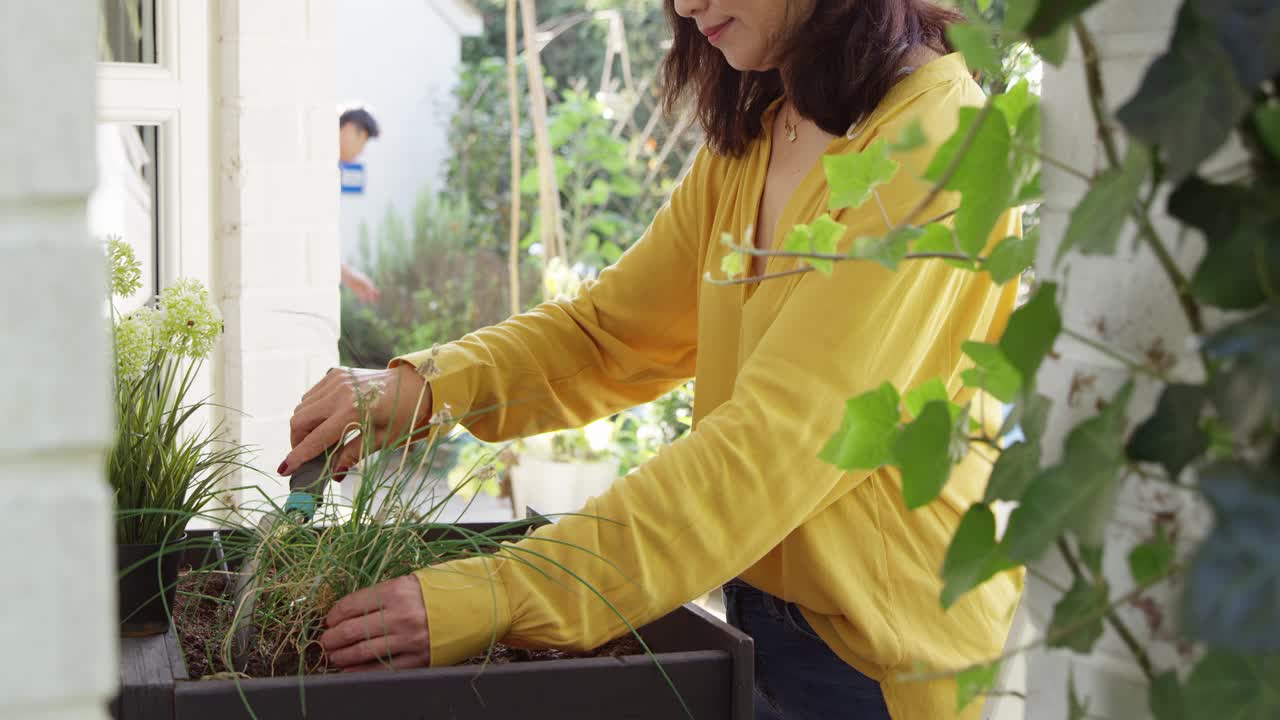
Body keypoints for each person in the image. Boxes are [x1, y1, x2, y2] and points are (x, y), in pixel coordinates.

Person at [284, 1, 1023, 717]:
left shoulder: (939, 143)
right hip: (753, 627)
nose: (686, 3)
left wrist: (498, 594)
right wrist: (425, 388)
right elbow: (610, 334)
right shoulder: (767, 128)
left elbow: (773, 446)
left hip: (883, 665)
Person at [338, 107, 382, 304]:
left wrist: (347, 276)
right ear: (347, 129)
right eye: (362, 140)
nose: (361, 151)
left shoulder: (331, 170)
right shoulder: (314, 166)